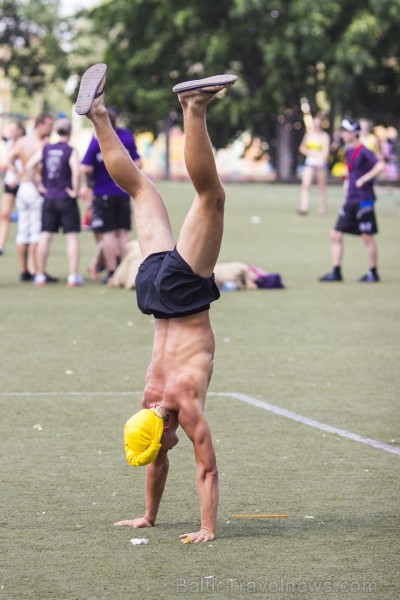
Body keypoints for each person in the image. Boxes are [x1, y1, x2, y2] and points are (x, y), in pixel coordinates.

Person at [75, 63, 237, 542]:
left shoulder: (179, 403)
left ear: (161, 431)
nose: (168, 449)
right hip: (150, 289)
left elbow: (207, 470)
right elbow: (157, 460)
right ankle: (99, 116)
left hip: (181, 295)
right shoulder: (146, 405)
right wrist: (147, 516)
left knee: (211, 197)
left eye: (162, 446)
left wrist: (207, 528)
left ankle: (193, 107)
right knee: (140, 188)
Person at [80, 106, 142, 284]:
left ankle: (112, 271)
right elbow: (138, 162)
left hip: (103, 193)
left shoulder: (98, 138)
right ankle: (126, 270)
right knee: (122, 232)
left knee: (107, 234)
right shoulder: (126, 136)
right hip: (123, 192)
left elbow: (86, 167)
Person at [319, 118, 384, 283]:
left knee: (366, 236)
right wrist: (348, 182)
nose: (342, 134)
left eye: (345, 131)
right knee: (335, 234)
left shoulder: (364, 150)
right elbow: (350, 170)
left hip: (364, 200)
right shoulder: (348, 150)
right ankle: (336, 271)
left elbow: (380, 166)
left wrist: (364, 179)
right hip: (351, 199)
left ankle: (373, 272)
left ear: (353, 133)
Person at [28, 118, 84, 287]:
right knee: (71, 237)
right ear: (70, 132)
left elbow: (29, 166)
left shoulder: (45, 148)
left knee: (45, 235)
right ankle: (73, 276)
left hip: (49, 198)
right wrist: (75, 190)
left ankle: (39, 275)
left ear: (56, 132)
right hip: (66, 199)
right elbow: (76, 173)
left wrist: (38, 186)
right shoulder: (70, 150)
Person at [7, 113, 56, 281]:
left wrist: (18, 175)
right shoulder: (42, 144)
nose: (51, 128)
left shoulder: (21, 141)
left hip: (23, 188)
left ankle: (24, 270)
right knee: (36, 230)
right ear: (40, 125)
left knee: (23, 230)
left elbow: (10, 159)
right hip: (35, 188)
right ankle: (35, 269)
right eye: (49, 125)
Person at [0, 120, 26, 255]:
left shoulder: (26, 143)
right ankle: (1, 245)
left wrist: (19, 177)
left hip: (24, 183)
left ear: (20, 130)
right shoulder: (9, 142)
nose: (10, 131)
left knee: (24, 215)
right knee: (4, 214)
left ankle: (26, 242)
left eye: (13, 128)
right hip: (10, 182)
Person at [298, 113, 330, 216]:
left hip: (320, 163)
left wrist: (321, 159)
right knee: (305, 184)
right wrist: (309, 153)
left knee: (322, 187)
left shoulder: (325, 136)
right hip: (310, 162)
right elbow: (302, 148)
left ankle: (322, 209)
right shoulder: (308, 135)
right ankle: (304, 207)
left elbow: (326, 150)